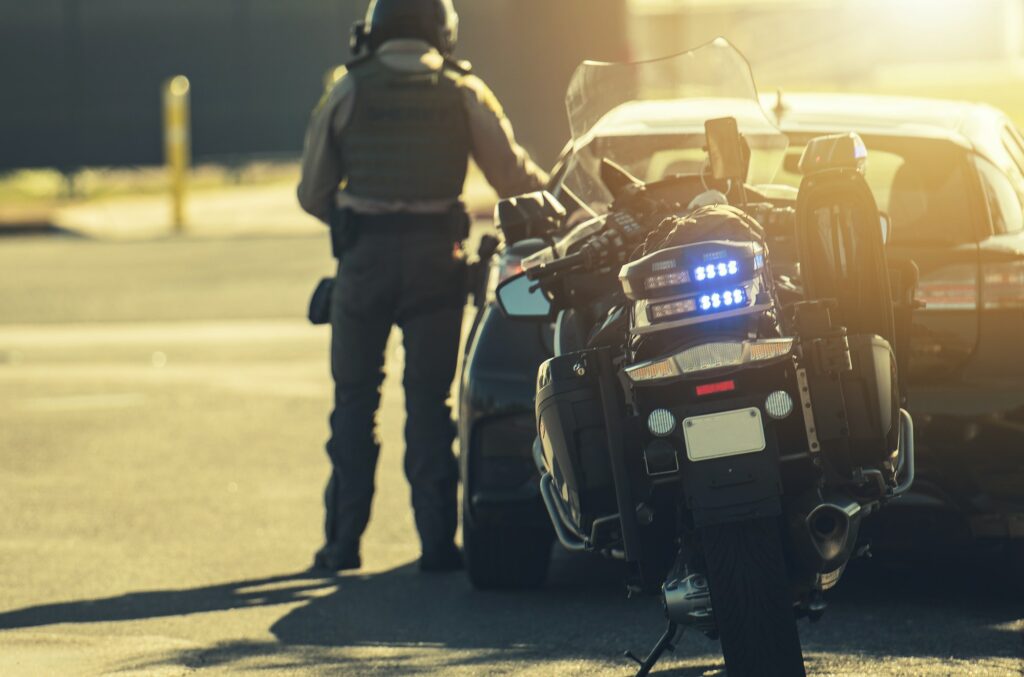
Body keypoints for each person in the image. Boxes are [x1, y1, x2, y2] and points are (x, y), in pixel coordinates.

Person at [297, 0, 547, 573]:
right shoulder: (462, 90)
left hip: (363, 265)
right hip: (438, 262)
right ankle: (436, 545)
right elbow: (513, 179)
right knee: (429, 406)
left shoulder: (347, 89)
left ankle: (342, 545)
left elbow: (312, 193)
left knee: (354, 403)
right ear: (443, 30)